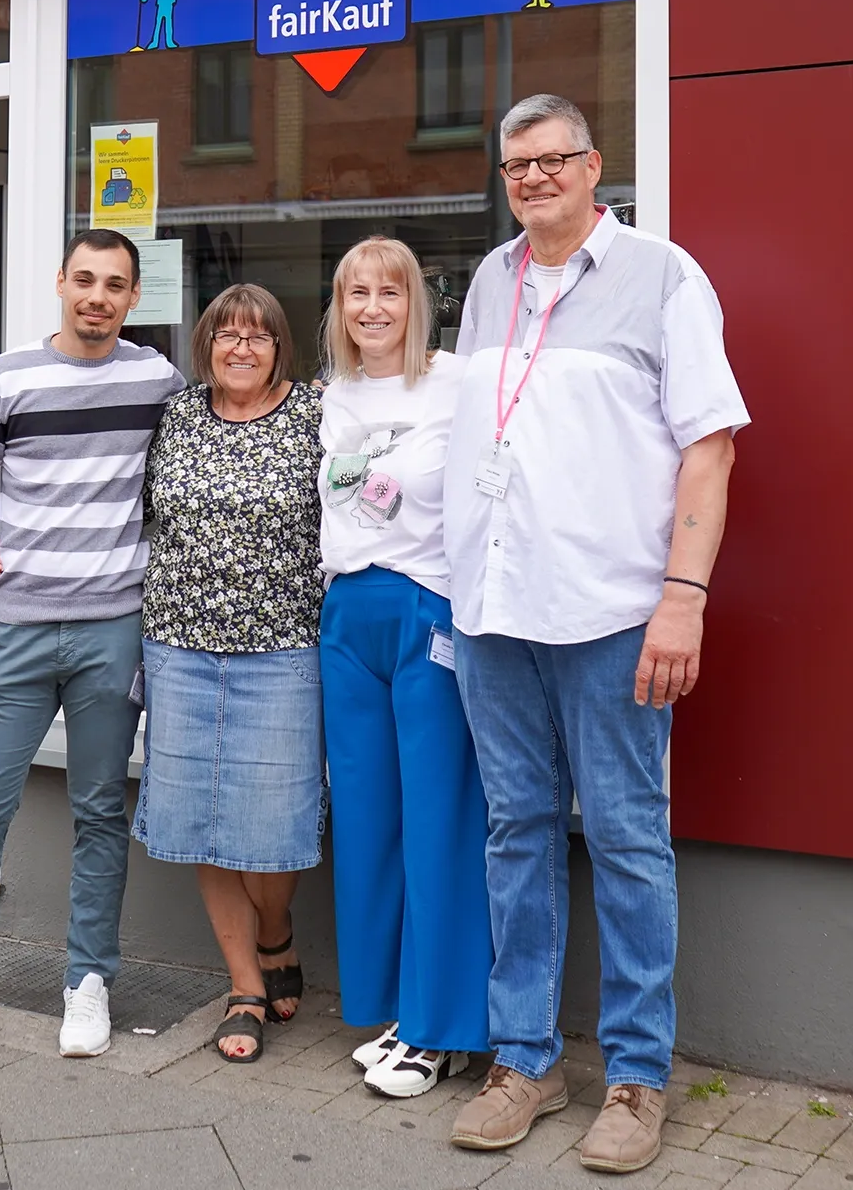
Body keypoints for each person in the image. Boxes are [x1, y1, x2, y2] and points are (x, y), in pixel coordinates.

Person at [442, 94, 747, 1174]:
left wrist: (684, 594)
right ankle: (524, 1060)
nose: (531, 178)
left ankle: (635, 1076)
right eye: (515, 164)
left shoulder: (663, 274)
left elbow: (707, 448)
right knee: (515, 834)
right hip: (490, 611)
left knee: (624, 840)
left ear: (593, 166)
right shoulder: (489, 280)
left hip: (614, 612)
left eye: (551, 159)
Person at [0, 229, 182, 1065]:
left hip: (111, 631)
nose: (97, 295)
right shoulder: (8, 377)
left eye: (114, 284)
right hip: (14, 627)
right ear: (59, 282)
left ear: (133, 297)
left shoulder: (157, 379)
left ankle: (88, 984)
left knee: (98, 813)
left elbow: (189, 481)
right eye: (84, 279)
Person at [129, 283, 326, 1063]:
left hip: (282, 650)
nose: (241, 348)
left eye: (258, 336)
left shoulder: (313, 416)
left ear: (281, 347)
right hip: (178, 648)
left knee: (274, 827)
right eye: (226, 335)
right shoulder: (176, 416)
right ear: (204, 343)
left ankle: (276, 929)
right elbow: (122, 508)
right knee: (201, 820)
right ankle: (244, 983)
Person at [316, 236, 490, 1098]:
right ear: (340, 307)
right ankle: (394, 1009)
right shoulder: (335, 395)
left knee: (437, 821)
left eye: (389, 291)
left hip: (430, 611)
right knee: (369, 823)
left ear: (414, 300)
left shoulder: (455, 381)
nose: (373, 306)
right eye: (356, 293)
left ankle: (443, 1028)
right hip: (346, 615)